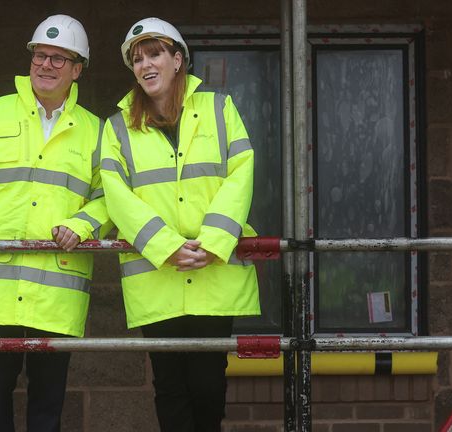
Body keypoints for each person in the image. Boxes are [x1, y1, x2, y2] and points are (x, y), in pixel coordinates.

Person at [0, 14, 109, 432]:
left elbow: (110, 197)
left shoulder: (96, 133)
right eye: (39, 56)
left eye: (58, 59)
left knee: (48, 406)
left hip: (56, 293)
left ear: (78, 68)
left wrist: (83, 223)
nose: (45, 65)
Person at [99, 17, 260, 432]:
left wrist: (214, 240)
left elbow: (241, 172)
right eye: (137, 59)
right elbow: (116, 192)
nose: (146, 65)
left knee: (208, 385)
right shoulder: (117, 126)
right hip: (157, 277)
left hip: (214, 272)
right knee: (169, 386)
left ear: (177, 59)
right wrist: (165, 245)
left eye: (154, 54)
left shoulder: (220, 108)